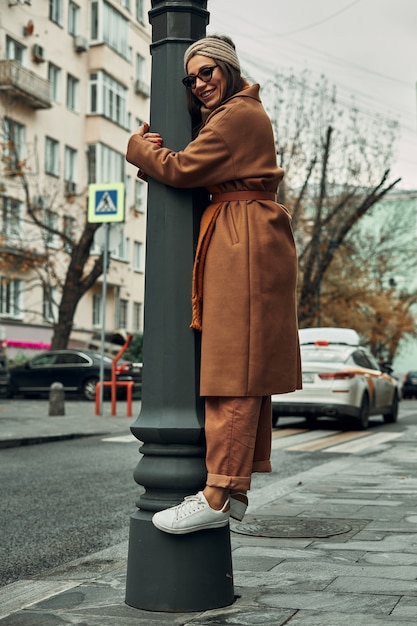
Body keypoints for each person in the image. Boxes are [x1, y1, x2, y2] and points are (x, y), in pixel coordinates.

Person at [126, 35, 302, 535]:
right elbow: (198, 171)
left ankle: (218, 493)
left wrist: (140, 150)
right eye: (192, 77)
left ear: (228, 68)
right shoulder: (231, 117)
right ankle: (233, 489)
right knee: (238, 363)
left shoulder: (236, 115)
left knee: (234, 367)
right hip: (240, 233)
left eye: (209, 72)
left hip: (243, 238)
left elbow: (182, 168)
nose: (201, 84)